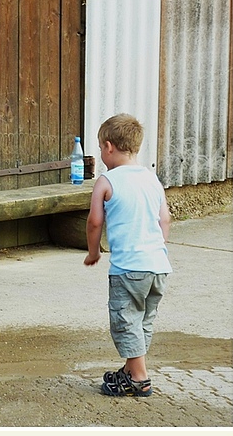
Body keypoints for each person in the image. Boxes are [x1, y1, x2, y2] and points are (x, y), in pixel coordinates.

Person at [84, 113, 172, 397]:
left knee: (125, 320)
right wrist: (159, 249)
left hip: (128, 269)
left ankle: (139, 378)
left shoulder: (106, 181)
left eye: (100, 148)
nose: (101, 153)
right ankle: (131, 368)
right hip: (158, 266)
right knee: (143, 320)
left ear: (108, 147)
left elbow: (95, 221)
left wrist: (93, 251)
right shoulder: (152, 179)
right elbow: (165, 220)